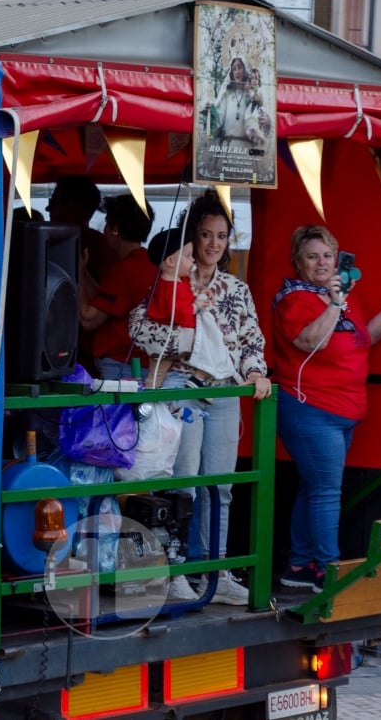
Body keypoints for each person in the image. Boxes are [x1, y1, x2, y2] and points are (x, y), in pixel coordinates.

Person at [129, 190, 271, 606]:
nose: (213, 244)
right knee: (184, 485)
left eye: (221, 236)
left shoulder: (235, 289)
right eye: (206, 235)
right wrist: (184, 338)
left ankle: (217, 571)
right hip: (184, 388)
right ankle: (175, 572)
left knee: (220, 486)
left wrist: (256, 370)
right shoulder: (172, 280)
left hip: (225, 390)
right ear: (193, 238)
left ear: (229, 240)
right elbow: (138, 330)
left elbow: (251, 340)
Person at [270, 224, 381, 593]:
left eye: (328, 255)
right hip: (310, 407)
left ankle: (299, 564)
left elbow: (365, 340)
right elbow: (309, 340)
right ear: (298, 263)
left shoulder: (344, 296)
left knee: (313, 488)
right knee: (326, 492)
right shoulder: (294, 298)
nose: (322, 263)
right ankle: (328, 571)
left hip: (342, 410)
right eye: (312, 256)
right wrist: (334, 303)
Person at [144, 229, 237, 386]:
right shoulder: (172, 287)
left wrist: (201, 293)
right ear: (171, 261)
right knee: (211, 346)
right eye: (188, 256)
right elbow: (180, 313)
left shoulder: (175, 282)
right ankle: (199, 378)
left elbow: (188, 294)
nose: (193, 260)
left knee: (156, 375)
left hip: (169, 340)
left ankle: (199, 379)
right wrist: (196, 306)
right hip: (173, 336)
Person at [78, 195, 155, 380]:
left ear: (115, 229)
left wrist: (77, 273)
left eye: (106, 223)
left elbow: (88, 319)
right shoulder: (151, 262)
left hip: (122, 365)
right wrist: (83, 271)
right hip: (145, 364)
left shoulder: (125, 270)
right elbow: (104, 301)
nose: (103, 230)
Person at [48, 176, 111, 282]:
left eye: (53, 202)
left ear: (72, 206)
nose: (48, 208)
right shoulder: (106, 246)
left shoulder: (45, 243)